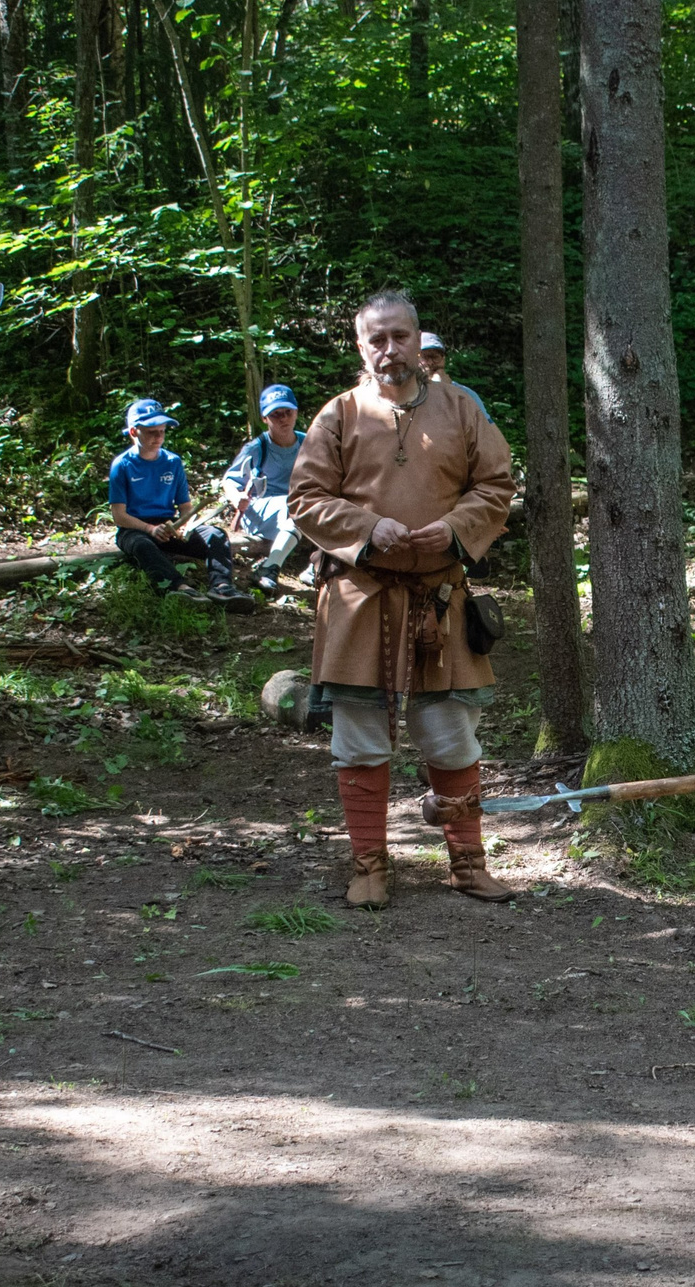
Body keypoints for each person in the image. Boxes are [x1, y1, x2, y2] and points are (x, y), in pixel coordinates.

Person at [288, 289, 519, 908]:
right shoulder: (338, 414)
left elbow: (497, 485)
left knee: (451, 734)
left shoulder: (461, 408)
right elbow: (305, 499)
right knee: (360, 738)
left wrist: (454, 528)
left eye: (400, 336)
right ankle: (369, 867)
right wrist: (368, 528)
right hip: (360, 599)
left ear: (419, 341)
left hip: (439, 600)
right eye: (377, 339)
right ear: (361, 348)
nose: (389, 349)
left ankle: (468, 863)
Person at [110, 397, 252, 612]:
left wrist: (187, 525)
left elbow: (185, 506)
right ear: (133, 432)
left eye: (162, 431)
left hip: (169, 526)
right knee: (142, 545)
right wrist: (150, 529)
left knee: (216, 535)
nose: (158, 437)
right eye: (151, 432)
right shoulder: (122, 465)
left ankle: (222, 587)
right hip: (134, 529)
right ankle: (179, 588)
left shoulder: (172, 462)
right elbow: (119, 516)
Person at [222, 383, 312, 588]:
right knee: (297, 505)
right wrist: (237, 498)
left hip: (298, 507)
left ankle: (316, 566)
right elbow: (229, 481)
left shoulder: (308, 443)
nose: (283, 419)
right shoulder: (257, 448)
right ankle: (269, 568)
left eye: (288, 412)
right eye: (276, 414)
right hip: (260, 509)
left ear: (296, 413)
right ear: (265, 418)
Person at [417, 332, 490, 420]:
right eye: (425, 357)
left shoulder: (465, 394)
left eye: (435, 357)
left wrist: (445, 389)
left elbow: (486, 426)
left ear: (443, 359)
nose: (430, 363)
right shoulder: (408, 394)